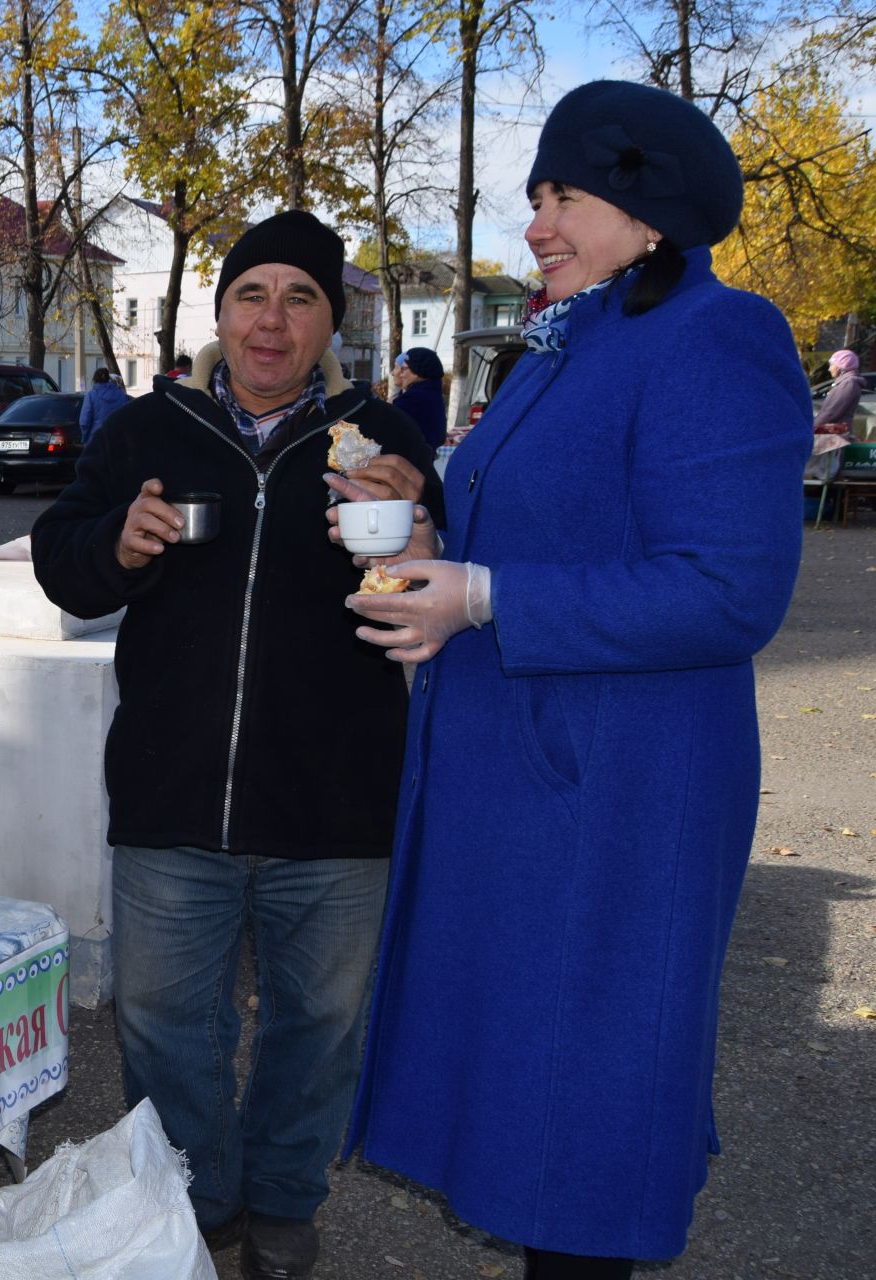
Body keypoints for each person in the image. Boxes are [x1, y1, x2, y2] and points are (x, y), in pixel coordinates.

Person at [341, 81, 813, 1279]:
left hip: (620, 793)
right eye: (536, 195)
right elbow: (554, 525)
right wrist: (424, 542)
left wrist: (487, 598)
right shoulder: (575, 337)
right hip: (534, 777)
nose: (538, 222)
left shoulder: (719, 333)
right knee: (530, 1092)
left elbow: (727, 588)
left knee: (587, 1108)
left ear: (650, 213)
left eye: (565, 196)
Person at [31, 209, 444, 1280]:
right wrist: (115, 545)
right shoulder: (144, 431)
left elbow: (428, 601)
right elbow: (62, 558)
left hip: (337, 800)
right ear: (220, 311)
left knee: (320, 1025)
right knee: (167, 1020)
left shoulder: (385, 441)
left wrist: (426, 533)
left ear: (330, 322)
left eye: (301, 297)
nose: (273, 319)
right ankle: (197, 1202)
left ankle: (284, 1198)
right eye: (254, 293)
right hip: (176, 795)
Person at [386, 346, 447, 450]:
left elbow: (389, 435)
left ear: (417, 370)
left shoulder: (411, 401)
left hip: (409, 462)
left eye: (404, 369)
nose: (401, 374)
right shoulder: (432, 394)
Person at [77, 366, 129, 445]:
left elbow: (84, 422)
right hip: (117, 439)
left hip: (96, 439)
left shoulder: (91, 395)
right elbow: (126, 417)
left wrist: (85, 439)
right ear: (109, 379)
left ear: (95, 380)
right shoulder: (121, 394)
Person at [814, 348, 860, 434]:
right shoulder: (843, 382)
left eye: (832, 365)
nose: (829, 369)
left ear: (841, 365)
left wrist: (813, 426)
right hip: (832, 433)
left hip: (836, 435)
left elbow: (832, 412)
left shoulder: (848, 383)